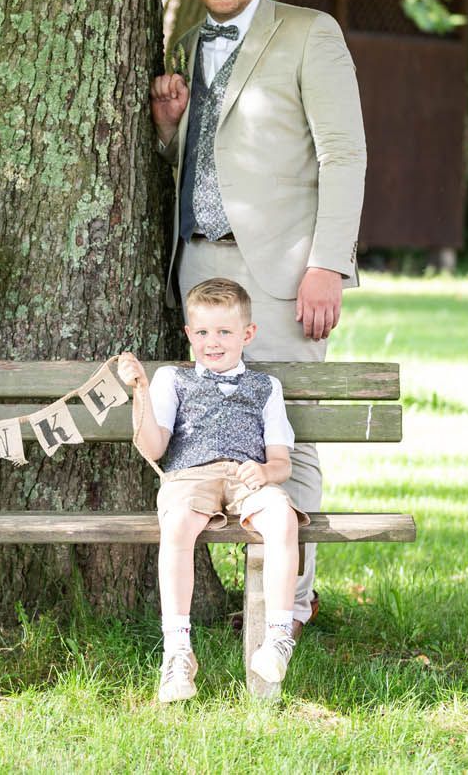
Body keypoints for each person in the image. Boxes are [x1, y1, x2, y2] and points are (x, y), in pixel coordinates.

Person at [150, 0, 367, 641]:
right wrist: (171, 127)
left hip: (284, 269)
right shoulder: (187, 43)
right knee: (217, 425)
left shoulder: (311, 34)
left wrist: (328, 265)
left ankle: (289, 605)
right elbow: (203, 158)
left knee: (289, 426)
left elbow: (344, 154)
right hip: (200, 263)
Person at [118, 278, 304, 703]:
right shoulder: (171, 380)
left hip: (246, 476)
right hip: (189, 476)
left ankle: (278, 637)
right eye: (202, 332)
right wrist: (140, 393)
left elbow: (281, 462)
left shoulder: (266, 388)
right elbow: (153, 447)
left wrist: (265, 471)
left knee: (281, 516)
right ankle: (178, 651)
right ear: (188, 335)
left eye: (224, 332)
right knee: (179, 524)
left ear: (247, 334)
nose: (212, 342)